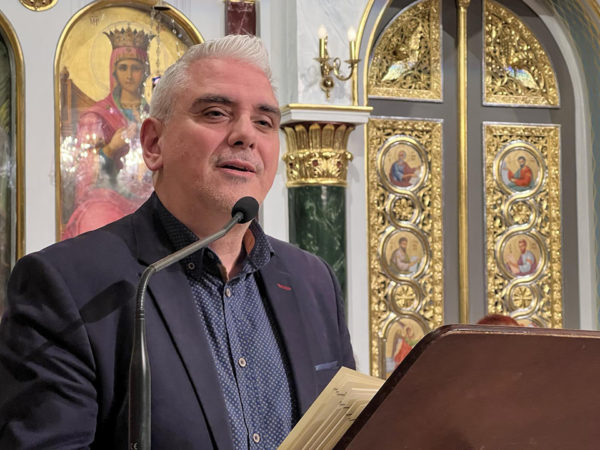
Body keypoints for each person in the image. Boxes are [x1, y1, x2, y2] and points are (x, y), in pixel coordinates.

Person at [0, 35, 354, 448]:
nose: (246, 134)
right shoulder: (69, 284)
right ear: (154, 144)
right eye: (216, 113)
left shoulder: (313, 280)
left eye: (264, 122)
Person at [61, 27, 155, 239]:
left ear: (145, 72)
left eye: (135, 68)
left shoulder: (156, 115)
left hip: (149, 196)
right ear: (114, 72)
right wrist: (110, 149)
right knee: (99, 221)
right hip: (106, 197)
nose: (129, 75)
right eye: (123, 68)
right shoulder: (95, 117)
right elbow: (84, 173)